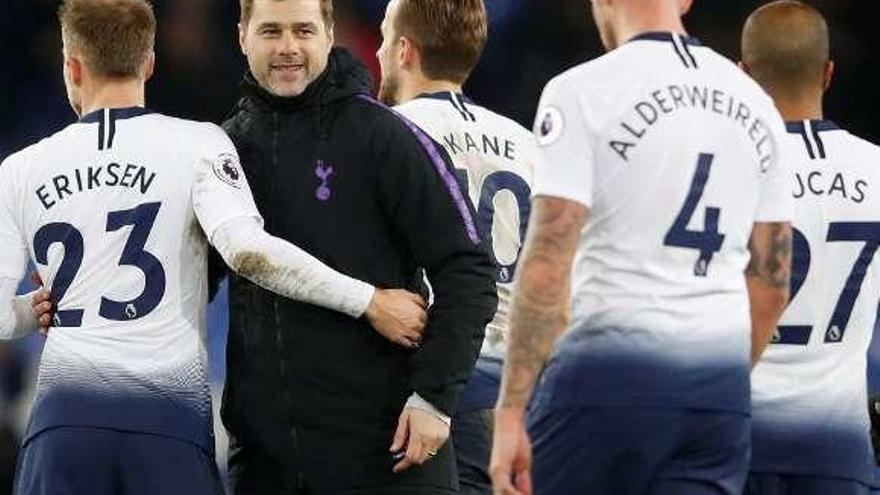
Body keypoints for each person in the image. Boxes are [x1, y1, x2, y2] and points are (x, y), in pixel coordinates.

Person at [0, 0, 430, 493]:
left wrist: (31, 313)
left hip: (62, 424)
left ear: (71, 67)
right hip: (166, 421)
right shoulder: (198, 144)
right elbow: (248, 253)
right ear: (150, 62)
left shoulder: (20, 169)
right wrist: (368, 300)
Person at [489, 0, 795, 493]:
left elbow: (547, 263)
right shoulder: (758, 103)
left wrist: (510, 411)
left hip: (605, 383)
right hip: (718, 396)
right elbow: (772, 285)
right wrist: (719, 383)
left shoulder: (581, 91)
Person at [216, 0, 498, 493]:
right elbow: (185, 280)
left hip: (387, 456)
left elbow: (469, 271)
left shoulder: (385, 135)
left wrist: (434, 399)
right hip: (268, 466)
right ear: (242, 36)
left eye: (303, 30)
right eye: (270, 31)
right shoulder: (221, 152)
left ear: (329, 34)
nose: (288, 48)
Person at [374, 1, 536, 493]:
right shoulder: (529, 145)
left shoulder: (386, 134)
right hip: (512, 399)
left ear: (404, 50)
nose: (378, 51)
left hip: (425, 389)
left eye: (384, 38)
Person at [740, 2, 880, 494]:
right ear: (828, 73)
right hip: (837, 446)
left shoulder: (721, 172)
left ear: (743, 75)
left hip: (735, 442)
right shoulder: (876, 169)